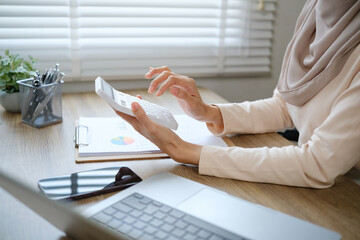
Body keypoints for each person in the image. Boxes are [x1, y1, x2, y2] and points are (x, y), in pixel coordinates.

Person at [114, 0, 360, 188]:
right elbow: (286, 106)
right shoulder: (315, 13)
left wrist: (186, 150)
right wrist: (208, 112)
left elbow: (318, 164)